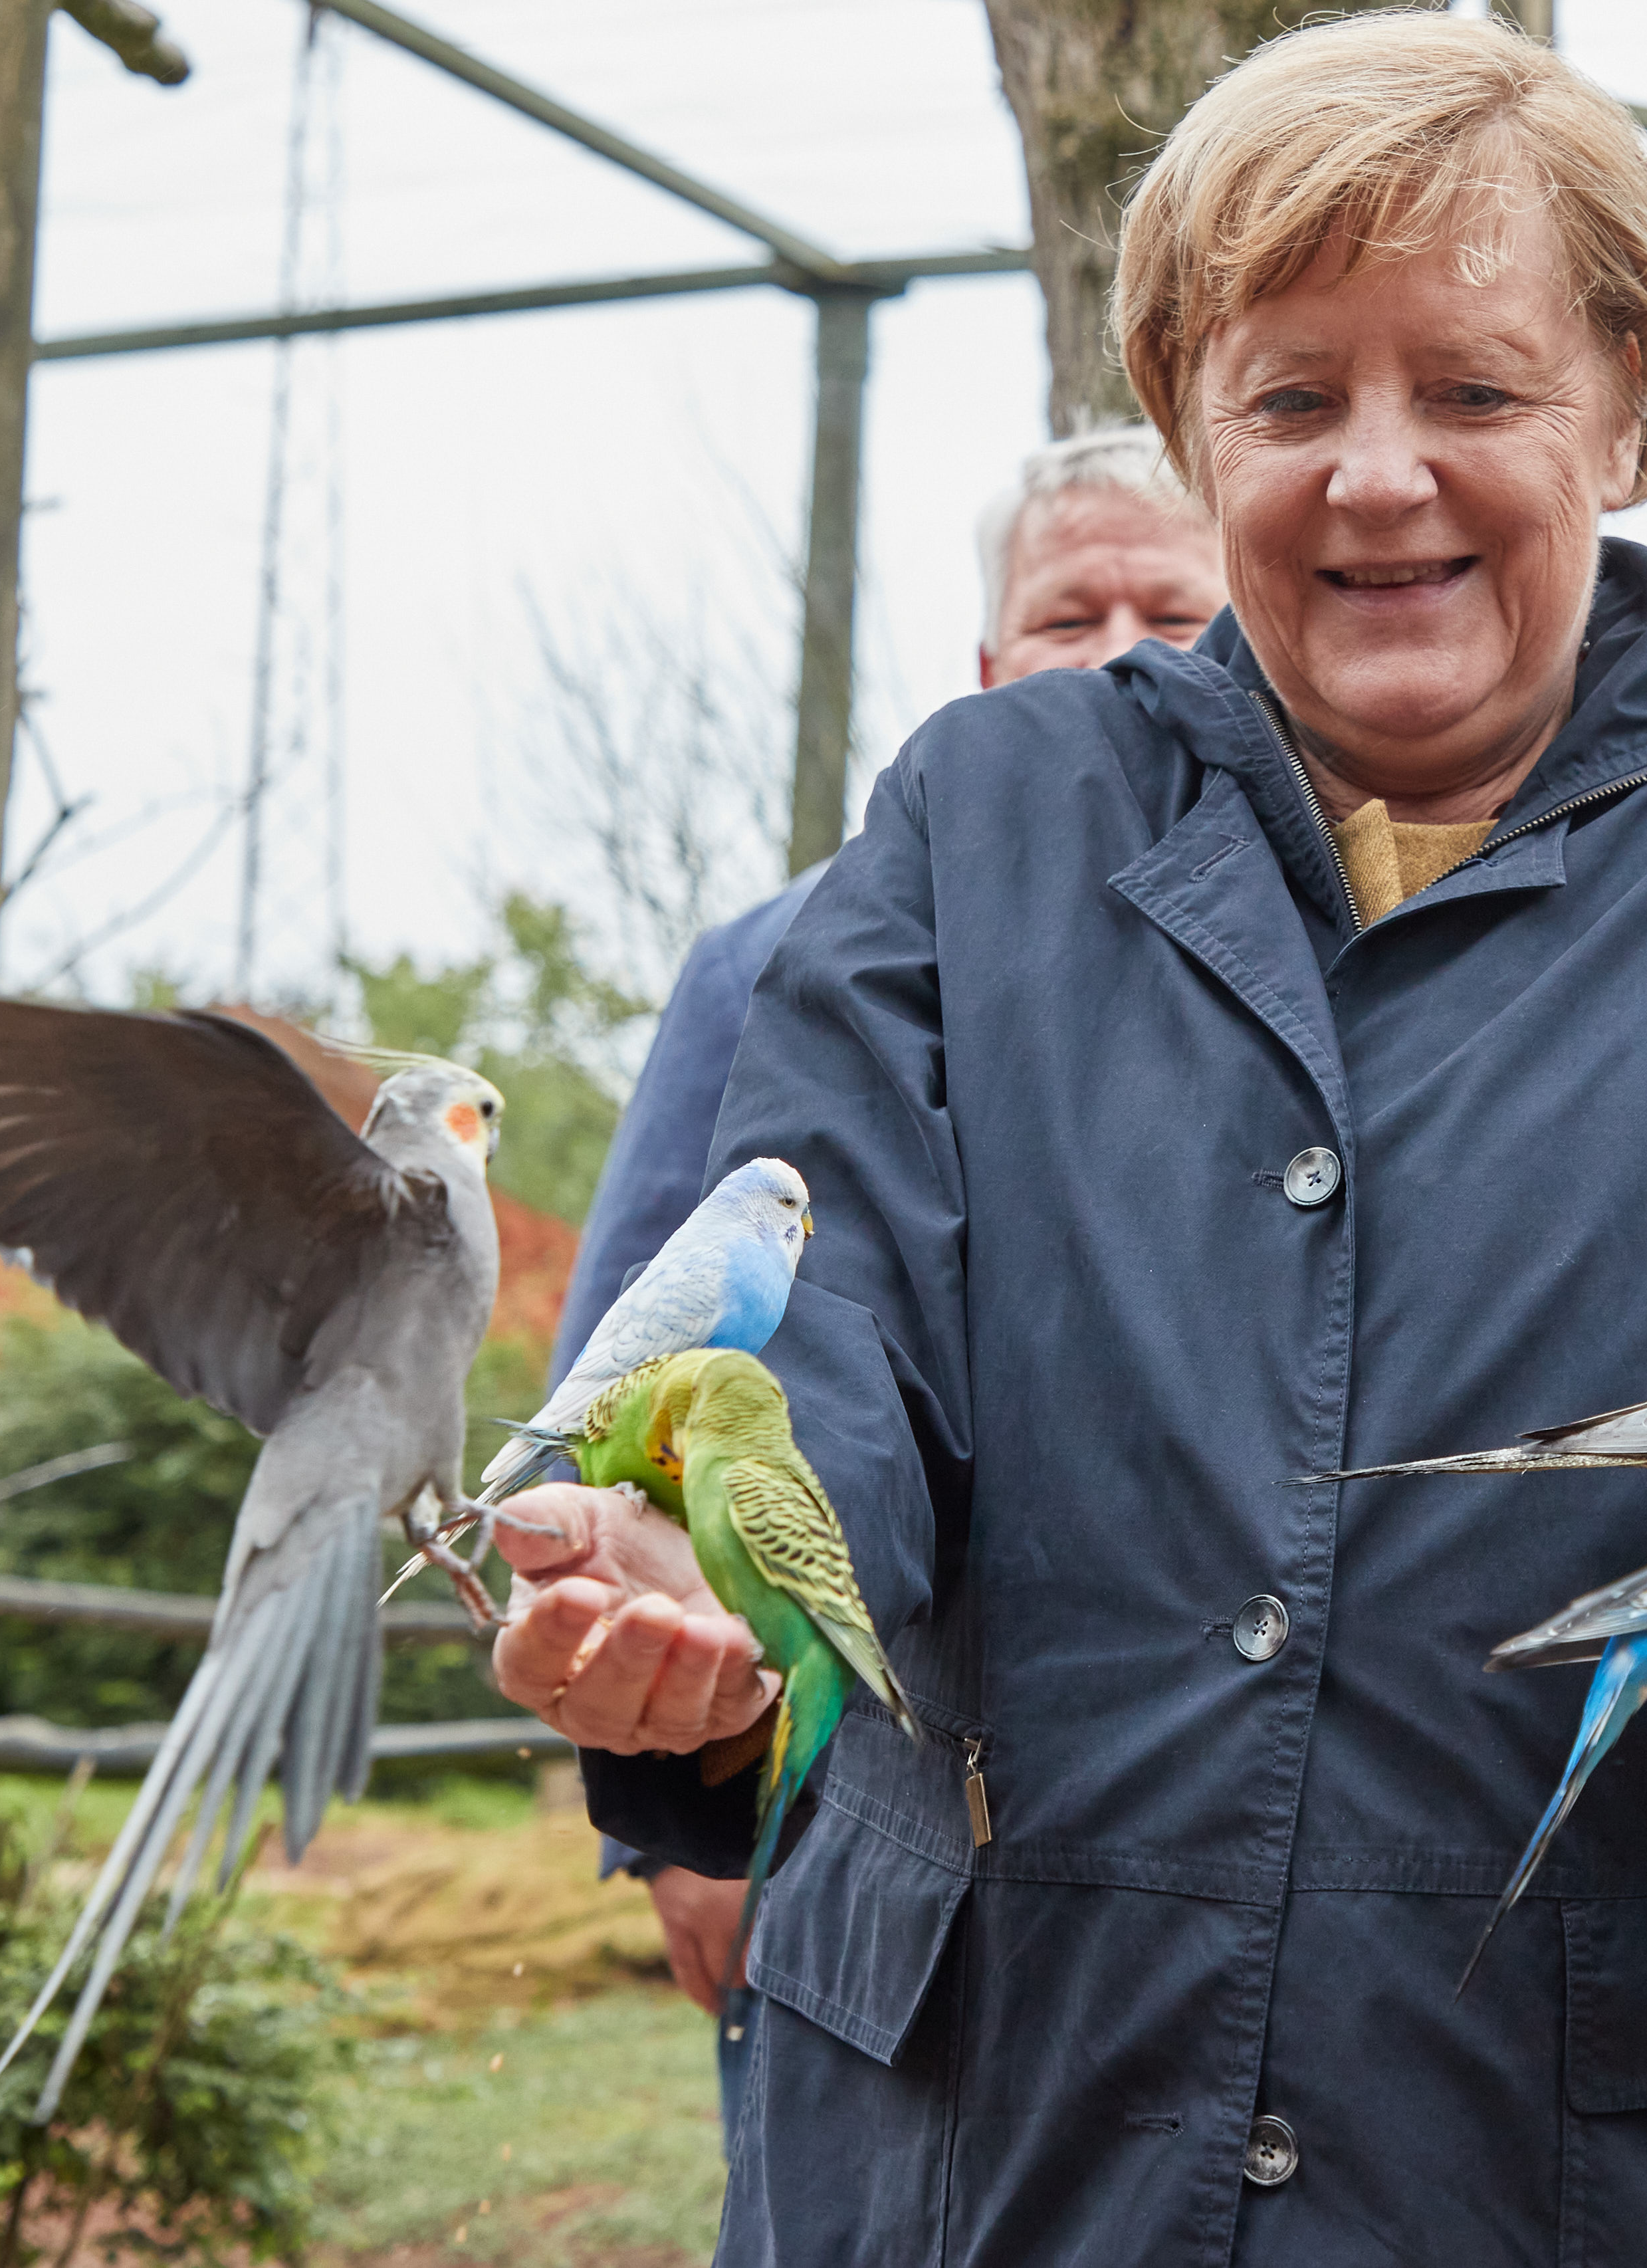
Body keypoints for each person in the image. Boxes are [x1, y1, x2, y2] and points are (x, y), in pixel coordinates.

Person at [493, 17, 1647, 2257]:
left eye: (1474, 391)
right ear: (1194, 423)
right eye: (1293, 398)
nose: (1380, 475)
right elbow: (828, 1295)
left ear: (1633, 410)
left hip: (1641, 2160)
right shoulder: (981, 825)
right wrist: (715, 1578)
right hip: (1026, 2135)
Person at [560, 424, 1227, 2132]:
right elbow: (648, 1337)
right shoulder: (786, 953)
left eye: (1172, 609)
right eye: (1071, 616)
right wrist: (670, 1822)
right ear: (989, 664)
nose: (1123, 655)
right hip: (848, 1767)